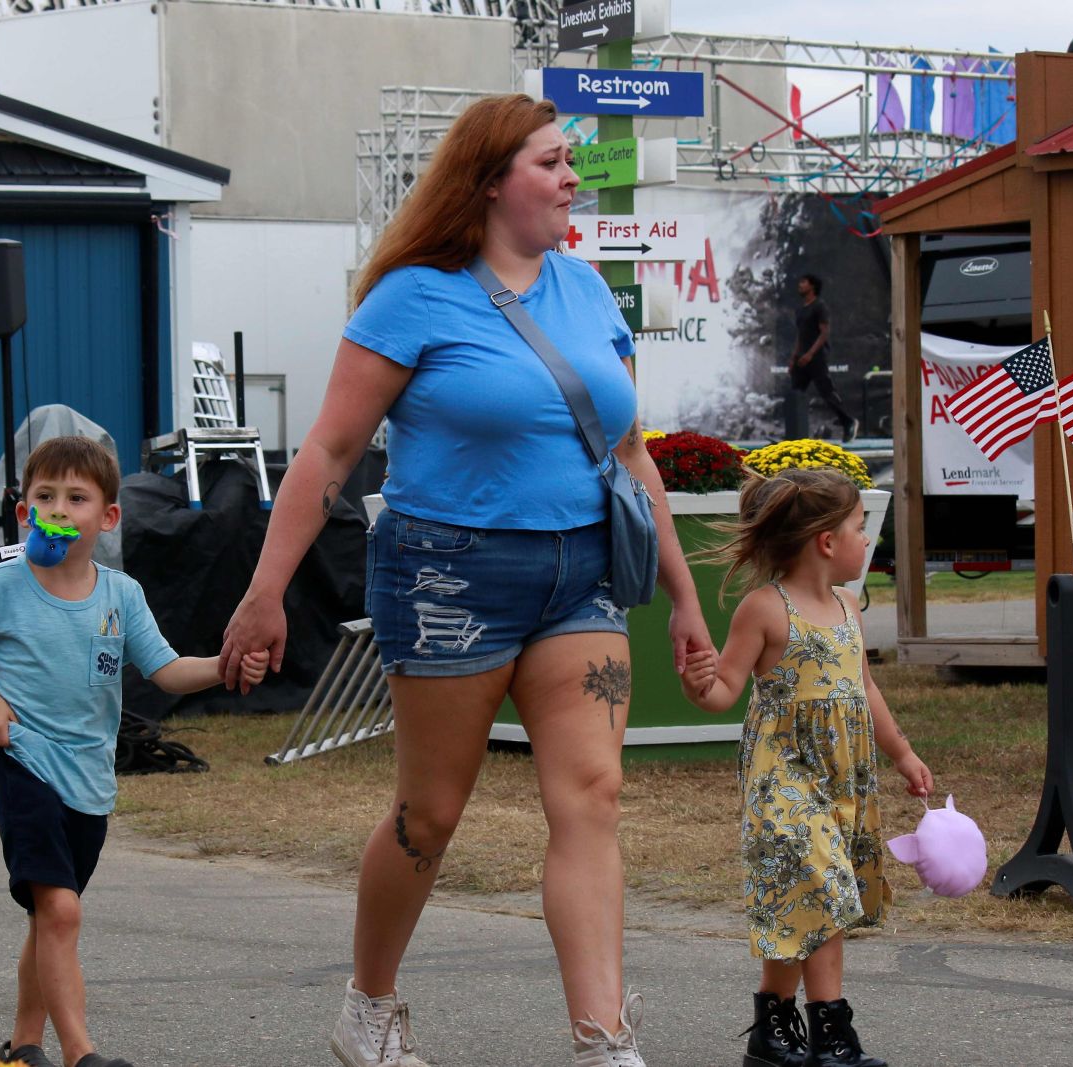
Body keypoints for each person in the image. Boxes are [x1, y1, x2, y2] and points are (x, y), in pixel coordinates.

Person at [218, 94, 715, 1067]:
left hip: (581, 575)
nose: (572, 178)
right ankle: (368, 1004)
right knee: (430, 813)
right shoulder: (412, 295)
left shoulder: (585, 291)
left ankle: (602, 1038)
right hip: (445, 577)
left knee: (592, 796)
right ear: (491, 180)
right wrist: (264, 588)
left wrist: (686, 595)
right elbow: (329, 450)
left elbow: (631, 455)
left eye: (571, 161)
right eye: (552, 161)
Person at [0, 436, 268, 1067]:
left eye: (76, 497)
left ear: (108, 517)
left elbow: (164, 671)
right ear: (24, 511)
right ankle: (82, 1055)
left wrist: (225, 666)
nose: (58, 508)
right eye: (44, 496)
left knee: (49, 917)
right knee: (60, 906)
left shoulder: (121, 595)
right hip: (21, 757)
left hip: (86, 774)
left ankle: (23, 1049)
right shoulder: (1, 587)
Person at [679, 467, 933, 1067]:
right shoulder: (765, 609)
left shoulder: (848, 606)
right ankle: (831, 1036)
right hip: (784, 776)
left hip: (844, 777)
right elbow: (725, 692)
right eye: (859, 528)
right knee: (823, 885)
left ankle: (772, 1030)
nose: (866, 540)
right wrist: (698, 686)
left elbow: (864, 688)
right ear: (827, 541)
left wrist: (903, 753)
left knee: (803, 895)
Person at [789, 275, 858, 443]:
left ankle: (848, 422)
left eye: (803, 282)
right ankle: (793, 436)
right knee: (795, 394)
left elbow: (824, 333)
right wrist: (794, 357)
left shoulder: (819, 306)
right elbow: (800, 334)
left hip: (816, 358)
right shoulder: (800, 310)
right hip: (801, 359)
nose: (800, 285)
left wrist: (810, 354)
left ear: (812, 286)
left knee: (826, 393)